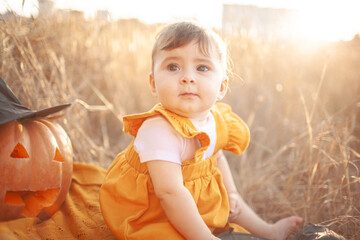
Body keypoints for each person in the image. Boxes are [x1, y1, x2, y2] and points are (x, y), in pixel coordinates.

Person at [99, 21, 303, 240]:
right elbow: (169, 193)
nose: (188, 77)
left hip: (191, 198)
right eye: (173, 67)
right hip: (153, 210)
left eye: (202, 68)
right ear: (153, 84)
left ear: (222, 87)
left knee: (232, 204)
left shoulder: (214, 119)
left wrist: (232, 192)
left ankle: (269, 231)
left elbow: (217, 157)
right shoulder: (158, 130)